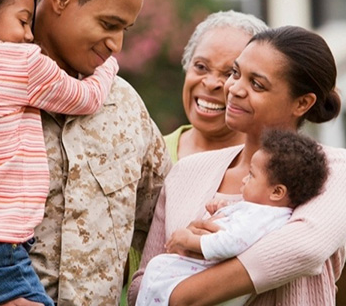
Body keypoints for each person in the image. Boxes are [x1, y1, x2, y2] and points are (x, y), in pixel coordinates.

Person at [0, 0, 172, 306]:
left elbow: (163, 224)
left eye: (124, 31)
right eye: (108, 24)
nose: (117, 45)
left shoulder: (126, 106)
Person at [128, 25, 346, 306]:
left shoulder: (333, 170)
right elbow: (138, 288)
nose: (233, 89)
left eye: (257, 84)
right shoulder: (186, 172)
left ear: (302, 102)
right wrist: (181, 257)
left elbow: (303, 250)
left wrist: (198, 262)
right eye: (236, 73)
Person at [135, 129, 329, 306]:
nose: (244, 179)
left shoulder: (266, 215)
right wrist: (219, 212)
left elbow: (231, 242)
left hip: (212, 281)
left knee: (158, 272)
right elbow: (237, 227)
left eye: (252, 176)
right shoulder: (263, 210)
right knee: (157, 273)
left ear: (277, 192)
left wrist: (189, 240)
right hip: (210, 279)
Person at [164, 10, 268, 163]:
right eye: (201, 67)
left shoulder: (273, 167)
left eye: (231, 73)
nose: (211, 84)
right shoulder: (148, 153)